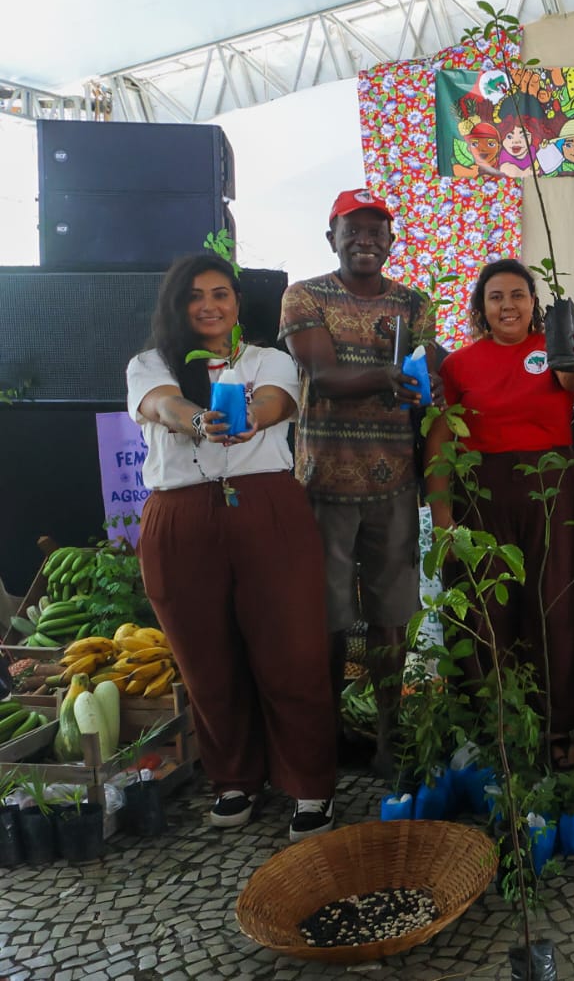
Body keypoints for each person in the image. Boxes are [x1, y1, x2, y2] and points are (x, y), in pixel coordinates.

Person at [129, 252, 337, 840]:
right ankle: (233, 779)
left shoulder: (269, 359)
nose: (209, 305)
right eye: (195, 295)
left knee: (292, 650)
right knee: (204, 658)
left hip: (265, 508)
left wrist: (249, 414)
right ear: (178, 304)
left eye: (220, 293)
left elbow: (278, 402)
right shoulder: (149, 364)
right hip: (181, 516)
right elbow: (163, 406)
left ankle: (310, 786)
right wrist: (198, 420)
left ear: (237, 303)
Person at [281, 188, 438, 775]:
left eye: (378, 231)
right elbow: (321, 375)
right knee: (327, 617)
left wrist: (439, 374)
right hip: (322, 483)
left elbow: (428, 366)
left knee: (390, 615)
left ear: (392, 241)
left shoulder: (413, 302)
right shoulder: (304, 296)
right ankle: (327, 734)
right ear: (333, 238)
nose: (366, 241)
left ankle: (389, 736)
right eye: (355, 230)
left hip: (395, 481)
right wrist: (390, 375)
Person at [427, 259, 574, 766]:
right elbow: (439, 440)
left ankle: (555, 730)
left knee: (555, 605)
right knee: (485, 609)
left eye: (518, 295)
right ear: (481, 307)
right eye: (496, 296)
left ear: (533, 303)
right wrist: (439, 514)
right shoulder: (458, 365)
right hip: (480, 496)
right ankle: (494, 728)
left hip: (552, 490)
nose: (507, 305)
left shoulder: (555, 349)